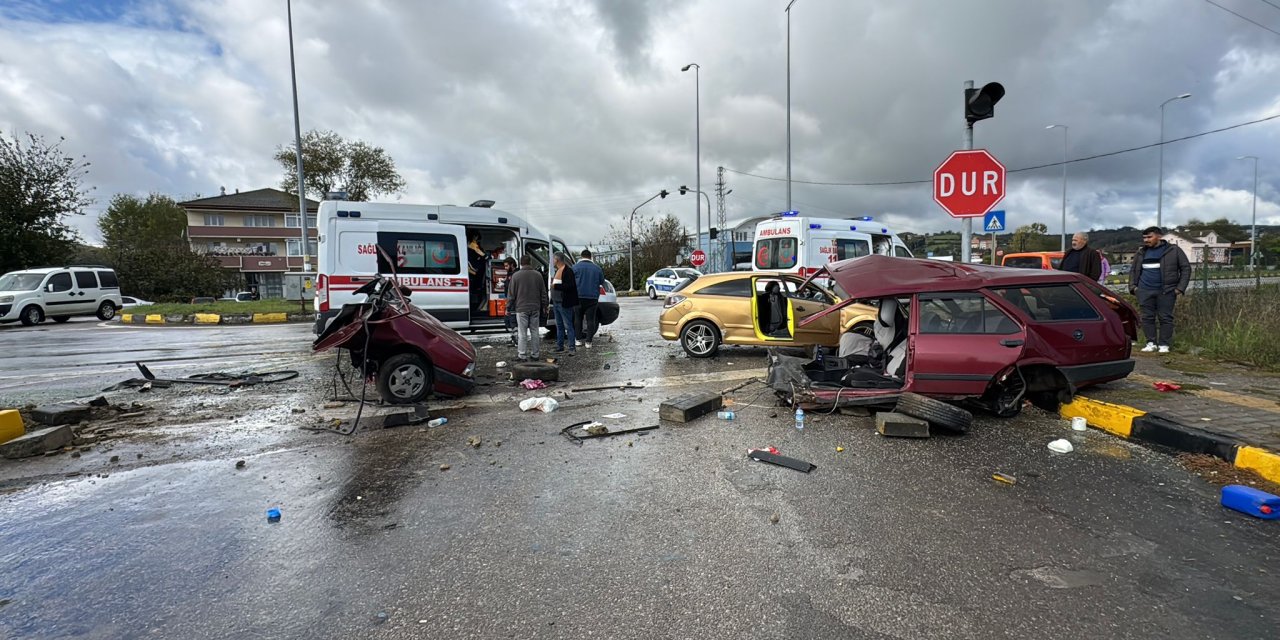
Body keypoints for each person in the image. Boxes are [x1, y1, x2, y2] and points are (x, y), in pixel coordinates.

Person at [1128, 226, 1191, 354]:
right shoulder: (1141, 252)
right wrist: (1134, 287)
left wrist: (1180, 288)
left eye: (1149, 237)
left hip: (1166, 291)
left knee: (1165, 318)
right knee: (1147, 318)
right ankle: (1150, 343)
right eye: (1144, 237)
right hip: (1144, 290)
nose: (1146, 240)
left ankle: (1164, 344)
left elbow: (1186, 269)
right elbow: (1133, 270)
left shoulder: (1174, 250)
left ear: (1159, 236)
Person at [507, 255, 547, 362]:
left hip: (521, 308)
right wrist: (545, 306)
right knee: (535, 332)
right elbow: (543, 293)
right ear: (530, 263)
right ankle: (535, 354)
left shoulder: (516, 276)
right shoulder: (538, 275)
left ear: (520, 263)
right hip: (535, 308)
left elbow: (511, 295)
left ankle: (522, 355)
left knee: (522, 333)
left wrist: (508, 307)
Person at [572, 248, 605, 348]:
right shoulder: (597, 268)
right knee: (591, 320)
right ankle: (588, 342)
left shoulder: (575, 267)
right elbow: (601, 282)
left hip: (578, 297)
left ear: (581, 257)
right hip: (592, 298)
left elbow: (571, 282)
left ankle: (578, 340)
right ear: (590, 257)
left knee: (578, 318)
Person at [551, 252, 578, 355]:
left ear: (557, 260)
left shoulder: (568, 271)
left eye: (554, 259)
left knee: (568, 325)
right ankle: (560, 346)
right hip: (556, 302)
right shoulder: (557, 270)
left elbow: (570, 286)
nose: (553, 261)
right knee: (559, 325)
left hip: (564, 303)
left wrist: (555, 286)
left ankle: (572, 347)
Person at [467, 232, 488, 313]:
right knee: (476, 288)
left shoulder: (470, 244)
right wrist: (486, 256)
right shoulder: (473, 245)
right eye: (477, 237)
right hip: (473, 271)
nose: (478, 240)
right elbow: (482, 254)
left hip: (472, 271)